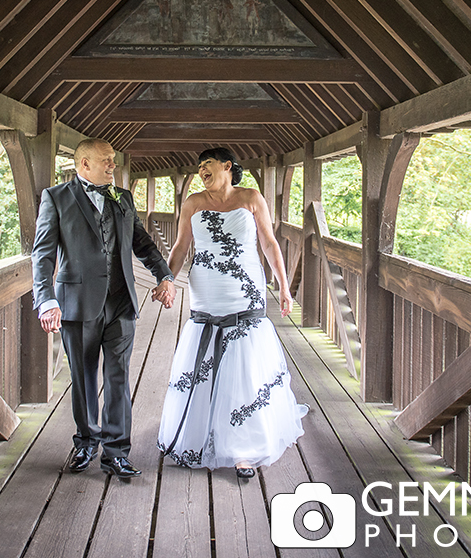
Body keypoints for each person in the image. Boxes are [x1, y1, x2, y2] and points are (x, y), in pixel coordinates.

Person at [154, 147, 307, 479]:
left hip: (245, 288)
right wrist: (167, 280)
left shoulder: (251, 197)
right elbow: (181, 246)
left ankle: (244, 449)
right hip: (206, 290)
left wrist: (283, 285)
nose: (201, 171)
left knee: (245, 364)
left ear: (227, 166)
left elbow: (268, 243)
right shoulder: (193, 202)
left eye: (206, 164)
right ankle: (197, 434)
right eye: (198, 167)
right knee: (204, 356)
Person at [33, 139, 177, 480]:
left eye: (113, 160)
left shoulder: (123, 198)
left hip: (122, 302)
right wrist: (46, 298)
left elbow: (141, 242)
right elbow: (43, 254)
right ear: (84, 164)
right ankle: (85, 442)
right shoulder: (56, 198)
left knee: (118, 378)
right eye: (106, 160)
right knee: (83, 378)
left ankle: (116, 452)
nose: (113, 165)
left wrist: (165, 275)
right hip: (77, 304)